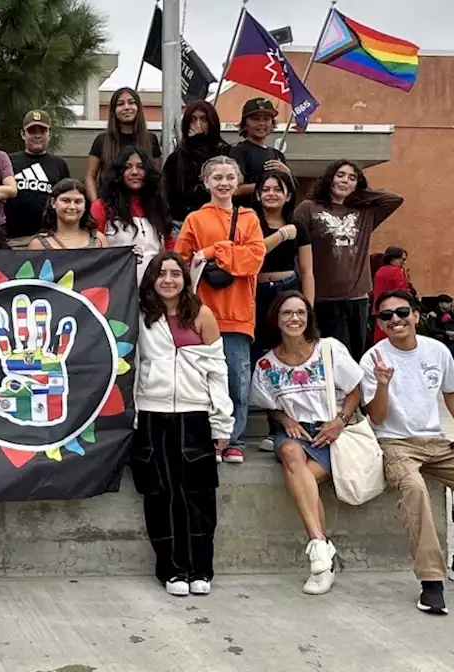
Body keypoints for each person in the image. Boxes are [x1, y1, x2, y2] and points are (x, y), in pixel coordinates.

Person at [362, 290, 454, 616]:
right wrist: (383, 383)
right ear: (379, 323)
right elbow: (376, 418)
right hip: (395, 443)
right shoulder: (374, 358)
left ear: (416, 315)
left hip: (437, 443)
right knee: (414, 490)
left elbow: (452, 392)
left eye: (401, 312)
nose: (395, 320)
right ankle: (431, 579)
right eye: (385, 316)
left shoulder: (437, 350)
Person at [132, 251, 232, 597]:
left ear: (186, 279)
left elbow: (218, 373)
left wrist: (222, 423)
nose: (169, 280)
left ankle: (201, 568)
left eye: (176, 273)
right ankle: (172, 570)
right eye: (162, 274)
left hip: (195, 415)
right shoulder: (141, 315)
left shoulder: (202, 315)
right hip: (151, 415)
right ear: (151, 279)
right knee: (160, 495)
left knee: (199, 496)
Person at [249, 291, 363, 595]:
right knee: (288, 451)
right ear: (276, 318)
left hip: (330, 431)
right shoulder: (265, 365)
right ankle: (320, 551)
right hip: (295, 432)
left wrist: (340, 420)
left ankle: (321, 552)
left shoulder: (329, 350)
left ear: (309, 317)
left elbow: (355, 389)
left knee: (303, 480)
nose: (294, 318)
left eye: (300, 312)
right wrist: (284, 420)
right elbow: (269, 406)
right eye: (287, 313)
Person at [175, 155, 266, 464]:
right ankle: (208, 437)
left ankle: (234, 439)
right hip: (202, 312)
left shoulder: (250, 218)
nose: (224, 183)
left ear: (237, 181)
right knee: (201, 380)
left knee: (236, 381)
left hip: (239, 314)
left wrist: (214, 251)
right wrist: (215, 257)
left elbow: (254, 258)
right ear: (206, 183)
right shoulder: (194, 220)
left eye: (229, 177)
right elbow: (181, 263)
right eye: (217, 177)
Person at [294, 159, 405, 360]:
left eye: (352, 178)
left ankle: (355, 393)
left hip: (357, 296)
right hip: (322, 297)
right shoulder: (308, 208)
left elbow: (394, 199)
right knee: (328, 357)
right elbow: (296, 249)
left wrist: (359, 193)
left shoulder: (365, 212)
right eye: (340, 175)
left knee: (355, 356)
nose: (345, 180)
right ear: (329, 178)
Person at [91, 146, 174, 282]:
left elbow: (170, 246)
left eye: (140, 167)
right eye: (127, 167)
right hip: (116, 285)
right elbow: (93, 251)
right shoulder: (102, 207)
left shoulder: (158, 207)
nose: (134, 172)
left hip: (153, 289)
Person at [254, 170, 313, 357]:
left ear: (288, 195)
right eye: (266, 189)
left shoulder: (298, 225)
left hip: (288, 289)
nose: (271, 194)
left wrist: (308, 307)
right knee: (257, 346)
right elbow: (252, 253)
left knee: (286, 344)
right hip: (256, 291)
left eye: (278, 190)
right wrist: (282, 235)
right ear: (258, 194)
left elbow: (307, 270)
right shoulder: (249, 223)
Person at [6, 110, 71, 248]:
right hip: (13, 240)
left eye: (42, 131)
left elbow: (67, 200)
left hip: (49, 238)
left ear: (49, 134)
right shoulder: (8, 160)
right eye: (32, 131)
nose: (37, 136)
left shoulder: (59, 164)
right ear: (23, 134)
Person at [86, 88, 161, 202]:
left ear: (138, 107)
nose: (126, 107)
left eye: (131, 102)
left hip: (144, 206)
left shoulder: (151, 139)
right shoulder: (102, 140)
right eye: (120, 104)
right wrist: (96, 204)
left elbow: (156, 177)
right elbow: (90, 176)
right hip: (109, 205)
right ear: (114, 110)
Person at [163, 100, 230, 227]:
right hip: (182, 222)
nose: (198, 125)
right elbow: (166, 193)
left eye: (203, 120)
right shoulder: (176, 158)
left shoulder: (225, 153)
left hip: (219, 221)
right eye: (192, 120)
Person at [228, 98, 293, 208]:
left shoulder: (277, 155)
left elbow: (291, 189)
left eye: (266, 119)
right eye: (256, 119)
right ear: (245, 123)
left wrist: (287, 173)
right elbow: (234, 190)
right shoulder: (238, 151)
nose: (261, 123)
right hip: (247, 215)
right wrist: (266, 186)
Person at [28, 179, 106, 250]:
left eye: (78, 202)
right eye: (66, 201)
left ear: (85, 205)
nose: (72, 207)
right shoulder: (38, 244)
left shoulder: (99, 240)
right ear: (53, 203)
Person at [371, 247, 411, 343]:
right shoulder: (396, 272)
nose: (404, 263)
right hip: (394, 313)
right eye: (403, 259)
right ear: (393, 260)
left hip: (380, 310)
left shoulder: (380, 271)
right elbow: (402, 293)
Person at [424, 295, 454, 371]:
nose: (450, 305)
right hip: (443, 340)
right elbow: (432, 329)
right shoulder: (434, 314)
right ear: (440, 304)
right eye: (447, 303)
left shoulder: (452, 314)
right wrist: (446, 332)